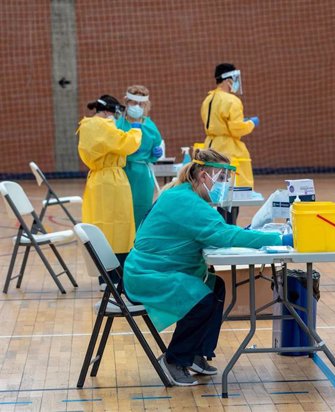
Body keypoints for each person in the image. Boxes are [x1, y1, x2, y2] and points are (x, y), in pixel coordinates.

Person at [123, 149, 293, 386]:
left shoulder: (184, 194)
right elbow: (223, 234)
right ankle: (173, 360)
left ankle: (195, 353)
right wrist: (279, 240)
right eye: (221, 178)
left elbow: (218, 232)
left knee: (216, 287)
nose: (224, 185)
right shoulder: (185, 200)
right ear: (203, 176)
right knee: (202, 301)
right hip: (149, 274)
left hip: (159, 269)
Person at [77, 95, 142, 278]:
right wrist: (136, 128)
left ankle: (103, 277)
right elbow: (127, 144)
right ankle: (117, 276)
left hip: (96, 181)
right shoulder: (103, 126)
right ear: (107, 112)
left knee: (99, 228)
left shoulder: (86, 125)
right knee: (119, 229)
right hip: (112, 181)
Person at [201, 63, 258, 189]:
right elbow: (236, 129)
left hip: (209, 146)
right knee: (233, 189)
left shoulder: (208, 100)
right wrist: (250, 123)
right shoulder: (231, 100)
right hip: (227, 149)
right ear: (228, 80)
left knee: (212, 187)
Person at [116, 85, 164, 229]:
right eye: (133, 103)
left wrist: (156, 154)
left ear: (146, 105)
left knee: (142, 209)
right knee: (122, 209)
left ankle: (138, 244)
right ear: (126, 102)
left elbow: (156, 146)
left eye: (141, 104)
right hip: (122, 171)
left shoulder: (150, 126)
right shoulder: (118, 124)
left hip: (143, 174)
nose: (137, 107)